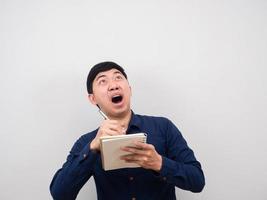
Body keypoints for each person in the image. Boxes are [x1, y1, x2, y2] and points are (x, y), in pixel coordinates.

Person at [50, 61, 205, 200]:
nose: (114, 85)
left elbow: (197, 181)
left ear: (129, 90)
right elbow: (60, 194)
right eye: (103, 81)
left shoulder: (163, 127)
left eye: (118, 77)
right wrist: (92, 149)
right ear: (93, 99)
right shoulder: (86, 142)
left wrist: (159, 163)